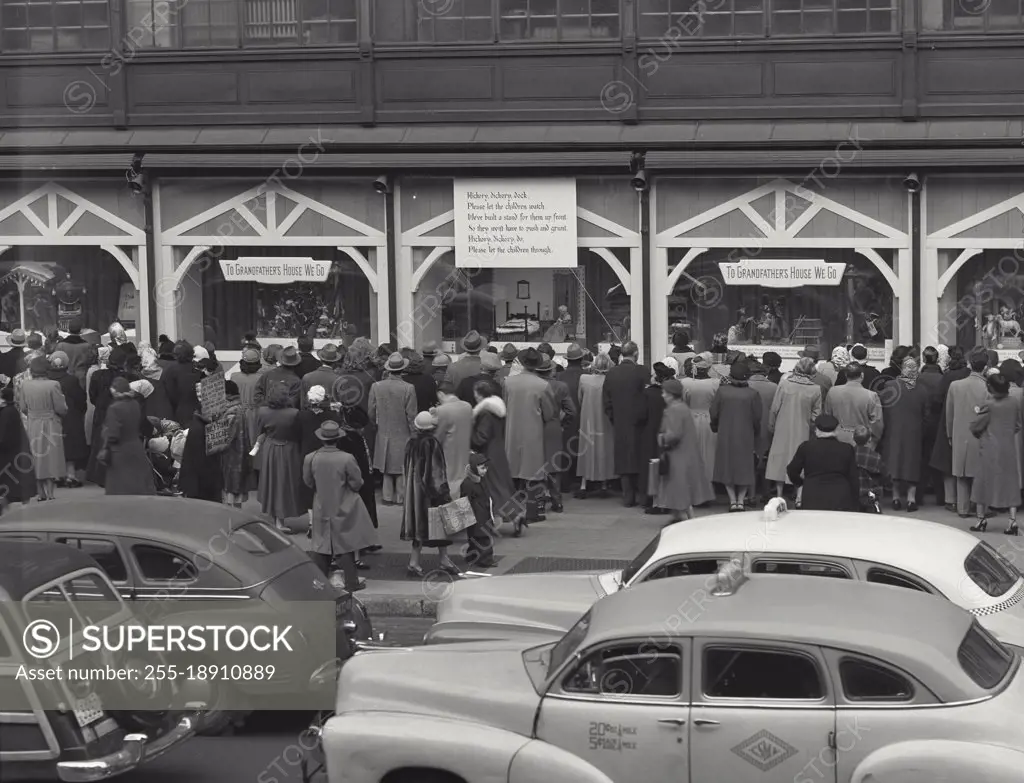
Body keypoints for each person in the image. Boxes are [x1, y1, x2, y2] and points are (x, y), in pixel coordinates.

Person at [304, 420, 379, 592]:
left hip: (321, 504)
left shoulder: (311, 458)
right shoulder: (347, 458)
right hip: (343, 503)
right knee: (345, 543)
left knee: (321, 544)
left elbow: (308, 482)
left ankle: (319, 583)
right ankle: (351, 581)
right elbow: (357, 483)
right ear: (338, 439)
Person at [401, 411, 459, 578]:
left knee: (419, 529)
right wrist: (443, 493)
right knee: (440, 525)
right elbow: (436, 472)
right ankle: (443, 560)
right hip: (429, 494)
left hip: (414, 494)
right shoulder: (432, 443)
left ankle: (414, 562)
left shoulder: (411, 443)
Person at [502, 346, 556, 521]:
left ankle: (512, 513)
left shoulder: (508, 382)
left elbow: (504, 406)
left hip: (512, 432)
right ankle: (533, 512)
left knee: (513, 473)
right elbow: (549, 414)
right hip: (533, 434)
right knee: (533, 474)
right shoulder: (543, 385)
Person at [766, 357, 823, 506]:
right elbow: (816, 416)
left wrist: (771, 425)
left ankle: (779, 495)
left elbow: (774, 407)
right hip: (802, 429)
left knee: (779, 459)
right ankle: (799, 497)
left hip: (782, 426)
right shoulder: (815, 389)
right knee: (800, 461)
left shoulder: (784, 384)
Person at [970, 373, 1022, 535]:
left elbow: (976, 427)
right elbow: (1017, 425)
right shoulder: (1014, 402)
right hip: (1008, 447)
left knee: (982, 484)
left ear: (990, 388)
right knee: (1010, 483)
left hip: (989, 448)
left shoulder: (989, 405)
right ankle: (1012, 521)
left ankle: (981, 520)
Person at [656, 378, 714, 522]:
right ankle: (685, 519)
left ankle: (685, 522)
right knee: (681, 490)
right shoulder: (682, 407)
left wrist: (661, 438)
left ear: (671, 394)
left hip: (677, 455)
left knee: (678, 490)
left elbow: (673, 434)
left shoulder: (673, 410)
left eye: (664, 392)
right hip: (686, 453)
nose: (662, 395)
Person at [710, 362, 762, 511]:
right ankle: (741, 500)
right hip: (746, 434)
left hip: (726, 433)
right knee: (745, 467)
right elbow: (757, 417)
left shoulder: (722, 392)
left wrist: (715, 425)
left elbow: (714, 412)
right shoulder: (753, 394)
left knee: (727, 466)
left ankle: (733, 501)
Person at [946, 347, 991, 518]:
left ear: (970, 365)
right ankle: (981, 509)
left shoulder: (955, 386)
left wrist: (950, 434)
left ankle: (962, 508)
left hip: (959, 434)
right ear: (985, 367)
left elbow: (949, 414)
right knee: (981, 474)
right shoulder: (987, 387)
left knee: (961, 474)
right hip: (981, 435)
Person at [601, 340, 647, 507]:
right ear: (636, 354)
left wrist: (614, 417)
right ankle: (642, 496)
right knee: (640, 457)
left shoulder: (612, 373)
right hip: (640, 423)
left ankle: (628, 496)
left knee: (623, 458)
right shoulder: (642, 372)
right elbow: (646, 397)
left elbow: (606, 401)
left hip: (620, 421)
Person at [880, 358, 929, 511]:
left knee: (895, 462)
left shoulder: (890, 386)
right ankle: (911, 499)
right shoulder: (922, 390)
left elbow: (883, 408)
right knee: (912, 463)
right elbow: (926, 414)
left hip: (893, 431)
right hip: (914, 432)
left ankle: (895, 498)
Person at [369, 352, 417, 505]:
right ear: (402, 370)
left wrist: (376, 424)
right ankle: (401, 497)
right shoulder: (409, 388)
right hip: (403, 431)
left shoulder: (376, 386)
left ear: (388, 369)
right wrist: (415, 433)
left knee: (386, 464)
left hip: (383, 430)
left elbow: (371, 410)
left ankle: (387, 496)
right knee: (401, 464)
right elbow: (411, 415)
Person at [471, 379, 518, 534]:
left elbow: (482, 436)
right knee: (502, 485)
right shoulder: (498, 409)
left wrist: (471, 439)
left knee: (494, 487)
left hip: (489, 452)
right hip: (499, 450)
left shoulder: (485, 412)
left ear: (479, 395)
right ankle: (511, 515)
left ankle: (514, 515)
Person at [785, 414, 859, 511]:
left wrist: (801, 483)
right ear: (836, 430)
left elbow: (791, 470)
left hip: (812, 494)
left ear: (816, 430)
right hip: (840, 496)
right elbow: (853, 478)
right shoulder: (847, 449)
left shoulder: (806, 447)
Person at [178, 359, 227, 503]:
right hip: (208, 482)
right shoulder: (211, 417)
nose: (200, 399)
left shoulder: (203, 421)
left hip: (203, 483)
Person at [255, 385, 304, 530]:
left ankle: (275, 517)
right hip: (289, 449)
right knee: (285, 483)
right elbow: (299, 433)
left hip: (270, 448)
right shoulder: (294, 413)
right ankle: (280, 520)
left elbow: (260, 430)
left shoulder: (263, 411)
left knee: (272, 482)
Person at [20, 355, 67, 501]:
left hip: (33, 422)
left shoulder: (24, 385)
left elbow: (23, 407)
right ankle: (51, 492)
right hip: (51, 422)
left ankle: (40, 492)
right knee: (51, 457)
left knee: (36, 456)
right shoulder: (53, 385)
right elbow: (61, 408)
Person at [98, 377, 155, 496]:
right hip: (135, 446)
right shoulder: (135, 404)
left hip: (119, 451)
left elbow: (113, 434)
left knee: (120, 486)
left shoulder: (114, 408)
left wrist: (105, 434)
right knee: (136, 482)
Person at [930, 346, 970, 511]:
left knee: (947, 462)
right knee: (967, 463)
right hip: (968, 420)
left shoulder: (947, 377)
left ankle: (950, 499)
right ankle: (966, 500)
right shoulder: (969, 374)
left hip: (947, 420)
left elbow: (937, 400)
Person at [576, 352, 616, 499]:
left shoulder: (584, 379)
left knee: (587, 449)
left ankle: (583, 484)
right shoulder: (611, 380)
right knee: (605, 447)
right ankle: (604, 484)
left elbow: (580, 399)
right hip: (605, 418)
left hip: (588, 417)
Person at [637, 361, 674, 515]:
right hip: (668, 432)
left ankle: (650, 499)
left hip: (650, 434)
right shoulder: (671, 394)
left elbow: (640, 415)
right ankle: (667, 499)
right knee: (667, 467)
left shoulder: (647, 394)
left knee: (650, 467)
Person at [48, 351, 86, 488]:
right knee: (71, 446)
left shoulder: (47, 379)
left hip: (51, 416)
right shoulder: (72, 380)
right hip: (71, 416)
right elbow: (81, 399)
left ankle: (57, 475)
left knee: (54, 444)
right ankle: (70, 476)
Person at [823, 362, 883, 448]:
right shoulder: (871, 396)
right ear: (862, 375)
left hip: (838, 438)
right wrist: (874, 441)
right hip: (862, 441)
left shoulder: (833, 391)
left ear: (846, 375)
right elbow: (877, 423)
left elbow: (827, 416)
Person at [681, 355, 719, 487]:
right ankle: (707, 486)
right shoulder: (716, 383)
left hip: (690, 419)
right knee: (708, 454)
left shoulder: (685, 383)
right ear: (708, 367)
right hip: (709, 421)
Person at [433, 381, 473, 499]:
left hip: (448, 449)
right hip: (465, 447)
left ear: (440, 394)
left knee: (451, 479)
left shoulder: (442, 410)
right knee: (463, 475)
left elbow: (438, 436)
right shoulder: (467, 406)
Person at [460, 452, 497, 569]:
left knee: (475, 538)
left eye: (486, 468)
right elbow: (465, 501)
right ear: (474, 467)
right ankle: (486, 560)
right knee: (483, 538)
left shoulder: (476, 480)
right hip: (478, 515)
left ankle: (472, 556)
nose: (485, 471)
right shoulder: (470, 483)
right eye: (482, 468)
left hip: (480, 514)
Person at [0, 384, 34, 511]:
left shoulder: (6, 412)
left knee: (8, 483)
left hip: (8, 454)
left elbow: (3, 435)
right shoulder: (12, 410)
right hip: (17, 452)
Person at [218, 380, 251, 508]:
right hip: (240, 453)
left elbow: (227, 436)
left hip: (231, 454)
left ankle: (231, 521)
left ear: (228, 394)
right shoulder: (240, 408)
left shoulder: (231, 411)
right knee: (237, 488)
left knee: (230, 488)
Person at [162, 341, 201, 425]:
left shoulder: (170, 369)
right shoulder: (197, 367)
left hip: (180, 410)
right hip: (198, 409)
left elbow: (169, 393)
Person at [853, 425, 886, 513]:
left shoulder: (849, 454)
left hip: (853, 495)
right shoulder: (876, 457)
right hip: (870, 496)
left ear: (854, 439)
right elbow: (885, 476)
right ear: (869, 440)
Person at [55, 317, 93, 388]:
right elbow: (90, 361)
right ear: (81, 330)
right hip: (81, 378)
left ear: (68, 330)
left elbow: (56, 362)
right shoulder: (86, 345)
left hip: (65, 377)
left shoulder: (61, 345)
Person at [301, 343, 342, 408]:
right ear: (335, 362)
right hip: (331, 416)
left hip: (311, 415)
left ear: (320, 359)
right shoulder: (339, 379)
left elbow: (303, 405)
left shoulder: (307, 377)